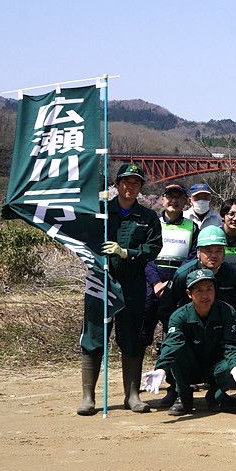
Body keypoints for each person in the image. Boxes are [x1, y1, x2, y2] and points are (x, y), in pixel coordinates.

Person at [78, 162, 162, 416]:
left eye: (136, 183)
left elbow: (153, 248)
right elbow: (82, 236)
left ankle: (132, 395)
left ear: (140, 187)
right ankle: (88, 397)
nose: (130, 186)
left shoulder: (147, 218)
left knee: (132, 338)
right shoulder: (101, 212)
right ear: (117, 184)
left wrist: (128, 253)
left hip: (132, 284)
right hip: (101, 280)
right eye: (126, 181)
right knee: (94, 336)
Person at [152, 268, 236, 416]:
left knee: (230, 365)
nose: (205, 295)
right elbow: (172, 344)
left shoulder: (226, 311)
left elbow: (231, 344)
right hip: (190, 366)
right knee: (178, 353)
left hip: (215, 366)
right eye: (199, 290)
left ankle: (216, 395)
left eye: (209, 289)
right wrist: (161, 368)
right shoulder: (179, 316)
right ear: (189, 294)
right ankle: (184, 397)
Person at [141, 182, 197, 347]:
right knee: (142, 335)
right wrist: (156, 282)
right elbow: (145, 255)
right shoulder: (152, 223)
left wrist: (171, 282)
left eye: (178, 197)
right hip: (152, 286)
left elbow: (193, 257)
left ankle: (170, 371)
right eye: (170, 196)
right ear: (163, 199)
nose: (174, 200)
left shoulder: (192, 227)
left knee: (175, 334)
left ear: (186, 201)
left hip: (177, 288)